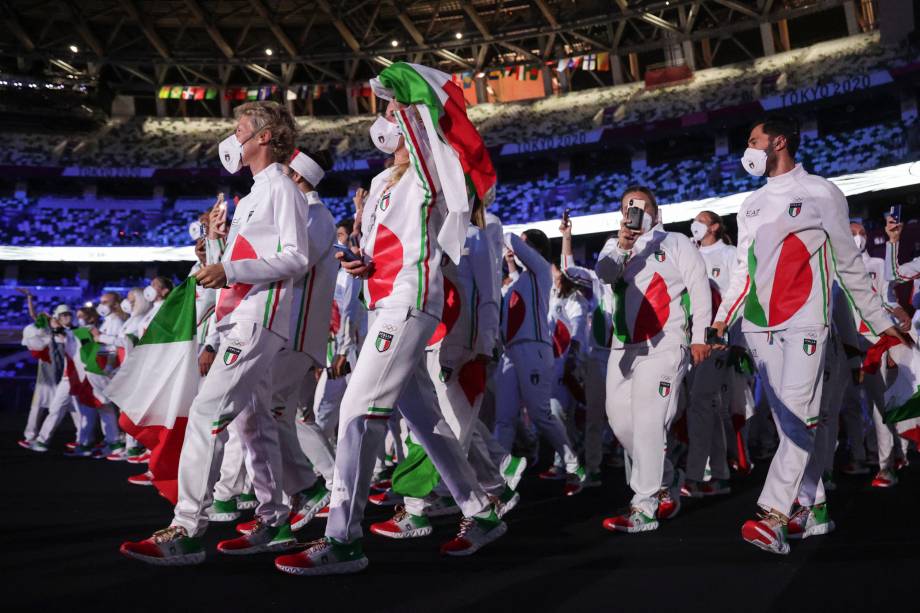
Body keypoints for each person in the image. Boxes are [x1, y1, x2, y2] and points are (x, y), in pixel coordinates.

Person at [273, 88, 504, 576]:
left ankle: (342, 538)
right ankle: (481, 511)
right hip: (381, 303)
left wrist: (408, 98)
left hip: (411, 302)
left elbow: (433, 161)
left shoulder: (432, 172)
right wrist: (365, 264)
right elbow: (387, 247)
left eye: (394, 115)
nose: (386, 122)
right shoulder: (380, 183)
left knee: (358, 410)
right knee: (426, 421)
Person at [121, 100, 311, 565]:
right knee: (253, 422)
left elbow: (297, 258)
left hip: (258, 318)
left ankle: (186, 529)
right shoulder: (250, 197)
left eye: (240, 128)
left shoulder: (282, 189)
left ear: (263, 137)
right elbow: (236, 266)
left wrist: (229, 267)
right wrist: (213, 255)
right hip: (239, 317)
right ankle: (274, 520)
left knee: (207, 411)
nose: (232, 136)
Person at [712, 116, 906, 555]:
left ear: (778, 141)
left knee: (798, 413)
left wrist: (878, 321)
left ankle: (772, 515)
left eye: (753, 140)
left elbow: (847, 264)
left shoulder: (821, 191)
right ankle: (814, 508)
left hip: (805, 320)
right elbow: (743, 270)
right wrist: (724, 318)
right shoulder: (751, 206)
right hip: (759, 325)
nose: (749, 149)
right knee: (791, 424)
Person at [596, 186, 711, 533]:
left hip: (665, 344)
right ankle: (667, 478)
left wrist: (702, 336)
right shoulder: (614, 246)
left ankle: (643, 507)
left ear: (655, 213)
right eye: (628, 207)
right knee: (621, 423)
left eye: (641, 207)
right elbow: (604, 274)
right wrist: (624, 246)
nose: (634, 212)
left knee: (648, 421)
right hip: (623, 349)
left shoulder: (675, 242)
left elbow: (699, 287)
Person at [494, 227, 587, 496]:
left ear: (534, 249)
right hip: (511, 353)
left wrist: (494, 225)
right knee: (504, 419)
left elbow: (512, 241)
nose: (515, 250)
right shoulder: (518, 282)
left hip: (534, 349)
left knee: (540, 414)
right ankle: (500, 479)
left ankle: (573, 465)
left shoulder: (541, 269)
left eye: (523, 245)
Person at [684, 211, 738, 497]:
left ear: (715, 227)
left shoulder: (729, 254)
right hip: (689, 341)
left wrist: (723, 335)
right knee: (707, 407)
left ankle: (694, 476)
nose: (695, 224)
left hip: (716, 341)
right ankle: (720, 474)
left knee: (700, 403)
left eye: (702, 220)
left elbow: (737, 295)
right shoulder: (688, 254)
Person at [560, 218, 615, 487]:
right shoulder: (595, 281)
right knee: (595, 414)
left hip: (628, 355)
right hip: (599, 357)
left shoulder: (639, 278)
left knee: (626, 416)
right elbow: (568, 269)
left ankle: (634, 466)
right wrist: (567, 237)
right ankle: (593, 467)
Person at [17, 288, 58, 449]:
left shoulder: (59, 332)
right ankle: (30, 437)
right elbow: (34, 315)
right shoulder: (42, 332)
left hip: (61, 378)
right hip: (44, 378)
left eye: (49, 316)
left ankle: (84, 440)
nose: (45, 317)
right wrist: (29, 298)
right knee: (36, 408)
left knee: (74, 410)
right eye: (44, 317)